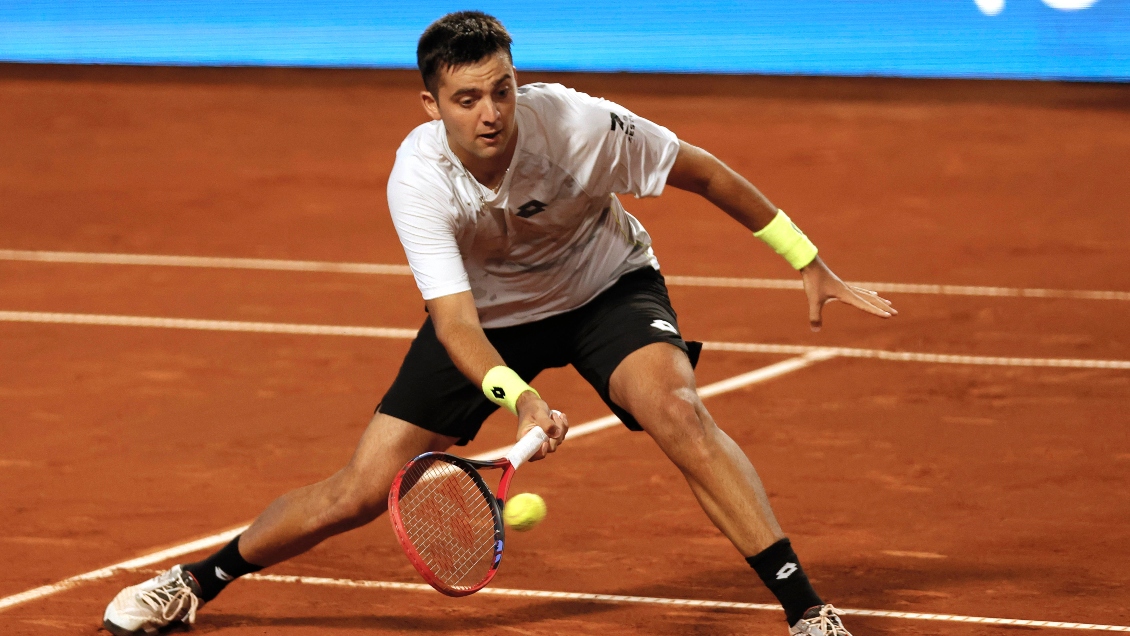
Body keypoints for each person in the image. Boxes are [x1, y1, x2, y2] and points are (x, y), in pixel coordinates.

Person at [103, 11, 895, 636]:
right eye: (467, 98)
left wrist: (805, 257)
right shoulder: (419, 179)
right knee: (360, 490)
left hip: (605, 288)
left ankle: (806, 609)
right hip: (491, 321)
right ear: (432, 104)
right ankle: (194, 582)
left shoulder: (580, 125)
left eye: (502, 90)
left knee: (677, 410)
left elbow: (705, 173)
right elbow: (454, 325)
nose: (491, 113)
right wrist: (521, 398)